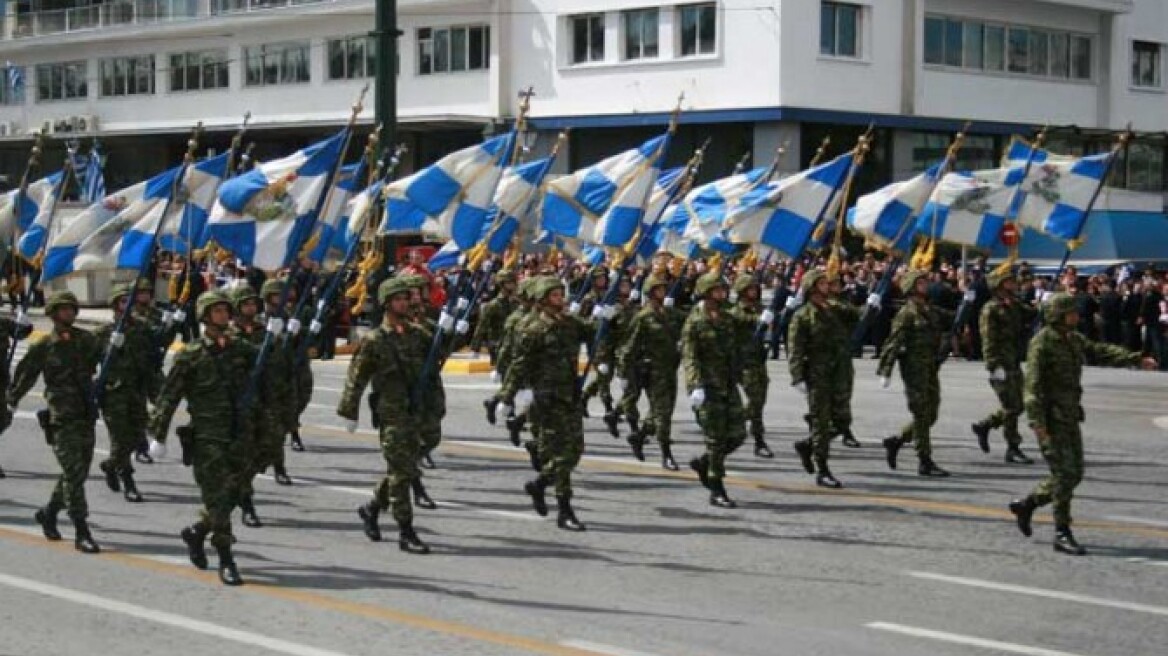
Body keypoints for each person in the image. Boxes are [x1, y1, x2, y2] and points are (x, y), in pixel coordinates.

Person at [1008, 293, 1156, 555]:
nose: (1076, 316)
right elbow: (1032, 387)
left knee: (1074, 473)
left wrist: (1134, 358)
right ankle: (1061, 532)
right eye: (1071, 312)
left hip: (1070, 416)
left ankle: (1028, 504)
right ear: (1057, 315)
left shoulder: (1072, 339)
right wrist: (1037, 423)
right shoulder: (1042, 343)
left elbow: (1098, 351)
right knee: (1065, 475)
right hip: (1050, 420)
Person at [149, 290, 255, 584]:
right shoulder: (191, 354)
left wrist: (287, 333)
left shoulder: (240, 348)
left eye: (226, 310)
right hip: (208, 439)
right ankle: (226, 558)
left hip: (239, 435)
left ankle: (197, 532)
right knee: (218, 500)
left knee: (234, 495)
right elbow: (169, 396)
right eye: (218, 311)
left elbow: (271, 362)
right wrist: (158, 434)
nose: (224, 315)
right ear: (206, 316)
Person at [339, 277, 432, 554]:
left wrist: (453, 323)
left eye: (407, 298)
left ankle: (371, 508)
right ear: (387, 304)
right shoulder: (375, 340)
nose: (406, 302)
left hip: (415, 412)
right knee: (403, 473)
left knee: (401, 470)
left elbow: (441, 348)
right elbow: (356, 377)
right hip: (391, 414)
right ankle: (406, 531)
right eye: (400, 299)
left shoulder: (417, 334)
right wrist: (349, 410)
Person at [497, 276, 594, 530]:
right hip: (547, 399)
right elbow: (519, 365)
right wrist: (507, 397)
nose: (560, 299)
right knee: (561, 453)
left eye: (561, 295)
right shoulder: (533, 329)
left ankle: (539, 484)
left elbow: (594, 333)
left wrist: (608, 315)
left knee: (575, 450)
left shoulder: (570, 324)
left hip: (570, 395)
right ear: (541, 300)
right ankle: (565, 510)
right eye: (554, 295)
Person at [10, 291, 102, 553]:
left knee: (78, 472)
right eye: (63, 309)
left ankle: (49, 512)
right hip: (61, 416)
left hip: (86, 413)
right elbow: (26, 373)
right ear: (53, 313)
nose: (69, 313)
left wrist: (115, 343)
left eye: (72, 309)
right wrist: (13, 399)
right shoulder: (45, 345)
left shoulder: (86, 339)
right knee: (73, 472)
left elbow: (103, 360)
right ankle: (81, 530)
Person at [877, 270, 953, 477]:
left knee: (931, 414)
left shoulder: (929, 309)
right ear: (911, 287)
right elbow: (893, 342)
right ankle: (924, 460)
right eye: (920, 283)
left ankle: (897, 441)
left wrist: (968, 303)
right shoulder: (906, 314)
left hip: (930, 367)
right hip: (913, 369)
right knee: (921, 413)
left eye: (924, 282)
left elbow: (952, 319)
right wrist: (886, 370)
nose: (924, 286)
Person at [682, 272, 747, 508]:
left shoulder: (727, 318)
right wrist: (695, 386)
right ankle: (716, 487)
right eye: (718, 290)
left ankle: (705, 462)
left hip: (728, 385)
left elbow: (747, 326)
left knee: (739, 434)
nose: (723, 293)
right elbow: (690, 357)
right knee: (716, 440)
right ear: (707, 292)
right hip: (707, 388)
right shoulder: (694, 322)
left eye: (723, 289)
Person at [94, 283, 161, 503]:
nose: (128, 304)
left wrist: (171, 325)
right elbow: (85, 362)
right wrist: (109, 348)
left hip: (137, 391)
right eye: (123, 301)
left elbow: (155, 356)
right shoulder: (103, 333)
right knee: (120, 439)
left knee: (135, 438)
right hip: (114, 394)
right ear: (114, 306)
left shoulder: (143, 329)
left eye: (129, 300)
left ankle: (111, 465)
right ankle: (129, 482)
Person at [789, 270, 856, 489]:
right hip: (817, 376)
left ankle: (808, 446)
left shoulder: (833, 310)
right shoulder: (802, 316)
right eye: (823, 283)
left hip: (839, 373)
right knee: (820, 421)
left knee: (842, 420)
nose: (828, 286)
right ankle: (822, 469)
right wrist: (797, 376)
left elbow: (855, 316)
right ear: (812, 287)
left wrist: (874, 303)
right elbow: (795, 349)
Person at [616, 273, 684, 470]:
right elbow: (630, 346)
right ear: (651, 292)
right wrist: (623, 373)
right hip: (652, 370)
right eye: (659, 289)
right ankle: (666, 455)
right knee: (662, 414)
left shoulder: (670, 313)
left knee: (661, 412)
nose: (663, 291)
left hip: (670, 368)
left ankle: (639, 437)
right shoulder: (643, 317)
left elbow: (690, 319)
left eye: (664, 288)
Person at [972, 269, 1037, 463]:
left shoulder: (1014, 304)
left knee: (1021, 403)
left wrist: (1043, 304)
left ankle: (986, 425)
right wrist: (993, 365)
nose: (1013, 284)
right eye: (1009, 282)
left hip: (1014, 360)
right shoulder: (990, 309)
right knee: (1011, 406)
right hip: (1000, 362)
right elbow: (988, 339)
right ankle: (1013, 447)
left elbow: (1032, 315)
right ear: (999, 285)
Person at [728, 273, 775, 458]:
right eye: (750, 289)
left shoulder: (761, 309)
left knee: (760, 402)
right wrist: (759, 321)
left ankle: (748, 430)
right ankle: (758, 439)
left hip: (758, 362)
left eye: (755, 288)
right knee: (755, 401)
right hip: (743, 363)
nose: (754, 292)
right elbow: (741, 322)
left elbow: (770, 328)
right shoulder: (735, 312)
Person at [0, 304, 32, 479]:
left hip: (0, 379)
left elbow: (21, 333)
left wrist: (24, 322)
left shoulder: (3, 324)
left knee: (3, 418)